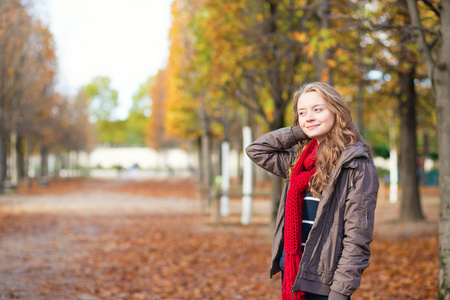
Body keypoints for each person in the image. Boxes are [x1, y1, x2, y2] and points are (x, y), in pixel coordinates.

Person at [245, 82, 379, 300]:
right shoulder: (299, 162)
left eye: (318, 109)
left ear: (337, 111)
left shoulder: (356, 165)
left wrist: (340, 292)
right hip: (293, 272)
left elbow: (357, 238)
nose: (308, 116)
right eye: (302, 112)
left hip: (326, 283)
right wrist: (304, 129)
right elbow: (257, 150)